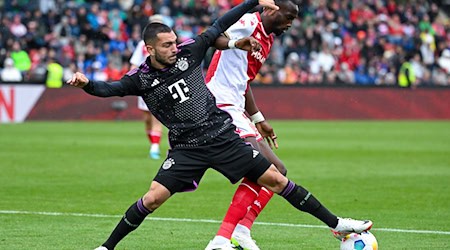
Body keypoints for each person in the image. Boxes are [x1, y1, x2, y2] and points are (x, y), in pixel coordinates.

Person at [66, 1, 373, 249]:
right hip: (187, 148)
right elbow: (110, 89)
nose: (175, 47)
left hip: (222, 137)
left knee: (277, 179)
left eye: (175, 42)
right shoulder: (141, 79)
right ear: (150, 49)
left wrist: (252, 2)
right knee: (152, 198)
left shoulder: (190, 53)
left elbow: (217, 26)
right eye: (167, 45)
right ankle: (107, 247)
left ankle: (336, 225)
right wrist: (87, 84)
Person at [204, 0, 297, 249]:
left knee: (278, 171)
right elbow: (214, 38)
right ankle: (221, 239)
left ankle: (242, 230)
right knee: (261, 167)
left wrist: (259, 120)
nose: (289, 24)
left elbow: (244, 81)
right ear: (269, 10)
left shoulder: (267, 41)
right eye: (287, 17)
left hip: (236, 106)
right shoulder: (249, 22)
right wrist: (235, 42)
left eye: (292, 20)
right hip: (219, 101)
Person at [129, 14, 167, 160]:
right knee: (146, 118)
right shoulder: (142, 45)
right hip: (145, 85)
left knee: (155, 116)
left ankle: (155, 148)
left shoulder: (167, 43)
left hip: (160, 85)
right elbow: (134, 64)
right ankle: (153, 144)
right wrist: (132, 80)